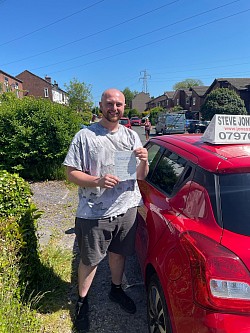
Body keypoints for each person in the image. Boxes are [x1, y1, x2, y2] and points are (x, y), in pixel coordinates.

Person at [63, 88, 148, 332]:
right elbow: (70, 173)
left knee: (119, 254)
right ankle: (82, 301)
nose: (114, 108)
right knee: (90, 260)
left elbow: (141, 176)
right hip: (94, 212)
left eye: (119, 104)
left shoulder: (132, 136)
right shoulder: (85, 136)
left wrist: (143, 160)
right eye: (109, 104)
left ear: (124, 107)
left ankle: (116, 289)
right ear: (100, 105)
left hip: (127, 207)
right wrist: (97, 181)